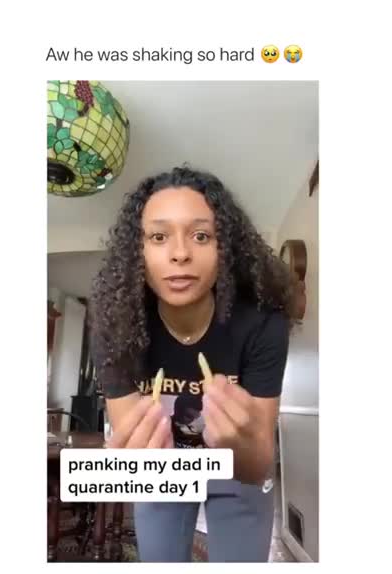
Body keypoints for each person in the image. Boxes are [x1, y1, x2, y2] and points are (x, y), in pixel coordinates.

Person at [89, 166, 293, 562]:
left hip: (236, 467)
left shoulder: (263, 323)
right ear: (137, 251)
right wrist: (128, 463)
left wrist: (243, 444)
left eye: (201, 236)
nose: (180, 253)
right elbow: (131, 454)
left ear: (224, 249)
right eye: (158, 236)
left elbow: (258, 463)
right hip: (164, 468)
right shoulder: (115, 325)